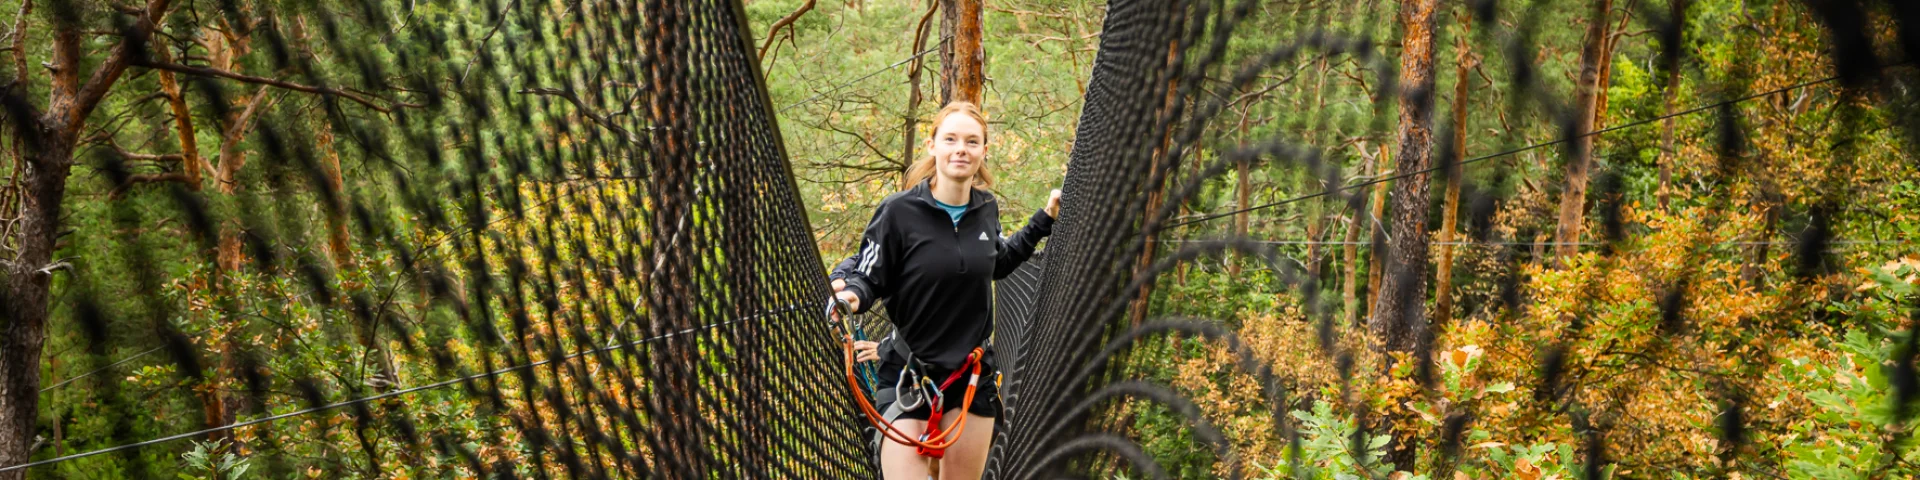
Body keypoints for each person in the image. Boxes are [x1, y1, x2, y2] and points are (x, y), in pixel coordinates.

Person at [829, 101, 1059, 479]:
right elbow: (870, 275)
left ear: (984, 151)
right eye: (950, 139)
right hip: (908, 372)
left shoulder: (986, 208)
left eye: (971, 141)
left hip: (971, 376)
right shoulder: (897, 212)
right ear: (932, 145)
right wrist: (850, 297)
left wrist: (1045, 219)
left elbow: (998, 262)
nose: (960, 149)